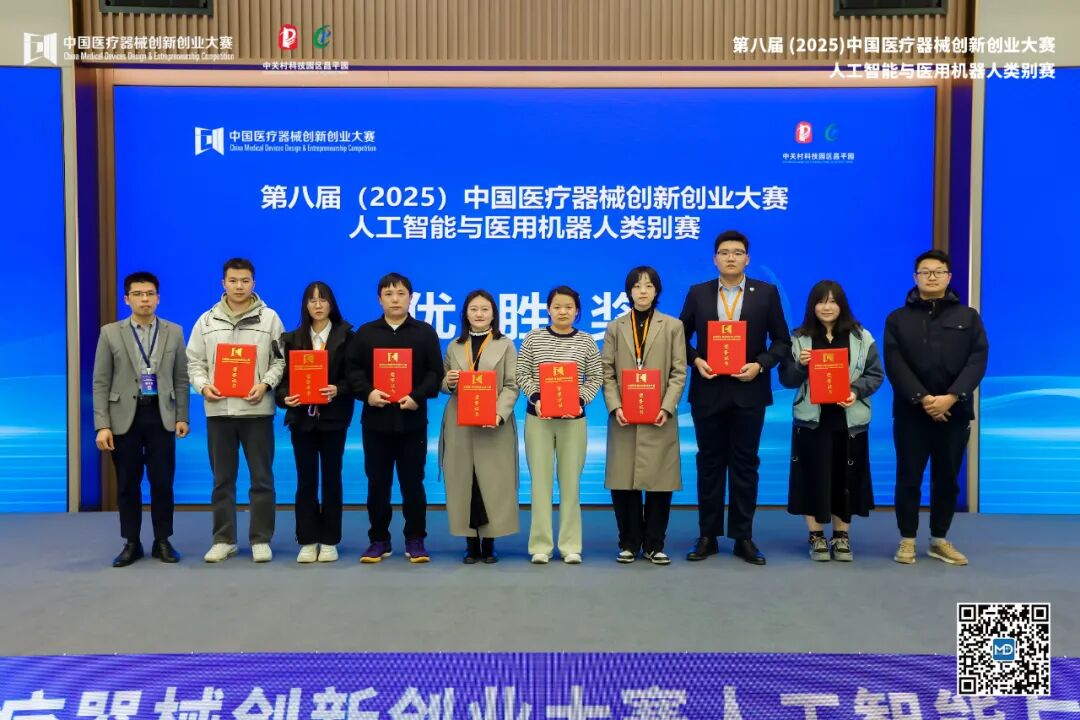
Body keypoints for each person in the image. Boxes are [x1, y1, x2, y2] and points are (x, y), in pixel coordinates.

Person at [679, 229, 790, 565]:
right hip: (708, 390)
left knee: (745, 464)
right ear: (715, 259)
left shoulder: (766, 293)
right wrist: (696, 360)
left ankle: (743, 537)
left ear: (747, 259)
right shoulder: (698, 293)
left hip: (749, 391)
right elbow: (679, 337)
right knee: (709, 463)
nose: (731, 257)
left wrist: (761, 365)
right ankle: (708, 536)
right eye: (724, 252)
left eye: (737, 252)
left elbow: (782, 341)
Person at [884, 249, 988, 566]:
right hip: (911, 413)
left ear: (948, 277)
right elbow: (895, 363)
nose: (931, 277)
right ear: (915, 277)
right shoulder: (898, 318)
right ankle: (907, 539)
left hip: (954, 412)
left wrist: (952, 396)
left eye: (938, 271)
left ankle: (939, 540)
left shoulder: (968, 317)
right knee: (908, 478)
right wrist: (924, 399)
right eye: (925, 272)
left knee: (947, 479)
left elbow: (977, 359)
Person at [186, 258, 286, 564]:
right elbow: (194, 362)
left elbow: (280, 360)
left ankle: (261, 539)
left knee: (262, 479)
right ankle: (224, 539)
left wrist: (265, 384)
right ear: (223, 283)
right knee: (222, 481)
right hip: (219, 411)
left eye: (245, 280)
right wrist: (203, 386)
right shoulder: (206, 321)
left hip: (257, 411)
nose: (239, 286)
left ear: (253, 283)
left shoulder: (270, 319)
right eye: (233, 280)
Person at [779, 280, 884, 562]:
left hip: (849, 421)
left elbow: (876, 375)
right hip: (811, 421)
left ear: (842, 305)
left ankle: (841, 536)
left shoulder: (861, 336)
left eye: (833, 301)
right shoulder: (798, 338)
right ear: (812, 306)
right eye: (821, 301)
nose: (827, 307)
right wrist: (800, 365)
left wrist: (855, 391)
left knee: (845, 479)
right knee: (811, 478)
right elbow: (786, 379)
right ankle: (816, 536)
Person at [92, 271, 190, 567]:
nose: (144, 299)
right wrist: (102, 425)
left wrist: (182, 416)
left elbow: (181, 379)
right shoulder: (110, 333)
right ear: (127, 299)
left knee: (163, 482)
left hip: (161, 415)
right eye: (137, 294)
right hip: (124, 418)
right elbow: (100, 382)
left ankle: (163, 540)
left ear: (158, 298)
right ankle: (131, 542)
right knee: (127, 484)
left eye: (149, 294)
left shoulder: (174, 331)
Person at [345, 272, 443, 564]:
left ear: (411, 298)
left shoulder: (424, 332)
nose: (395, 299)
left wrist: (417, 396)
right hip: (376, 423)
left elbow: (434, 372)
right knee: (377, 484)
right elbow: (353, 371)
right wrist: (368, 393)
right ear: (379, 299)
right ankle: (379, 539)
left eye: (401, 293)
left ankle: (415, 538)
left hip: (412, 422)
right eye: (388, 294)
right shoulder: (366, 333)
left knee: (413, 483)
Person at [601, 266, 687, 565]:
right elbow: (607, 371)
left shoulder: (672, 326)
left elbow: (678, 372)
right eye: (637, 286)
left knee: (660, 483)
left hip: (659, 416)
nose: (642, 291)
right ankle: (628, 543)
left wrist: (667, 407)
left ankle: (654, 544)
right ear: (629, 291)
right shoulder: (615, 327)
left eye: (649, 286)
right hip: (624, 415)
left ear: (657, 291)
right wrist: (615, 406)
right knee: (623, 481)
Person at [516, 285, 603, 565]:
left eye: (568, 307)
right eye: (557, 306)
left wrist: (579, 400)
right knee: (540, 484)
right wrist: (537, 398)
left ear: (577, 311)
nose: (562, 311)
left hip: (573, 421)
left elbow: (596, 376)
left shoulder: (587, 341)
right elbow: (522, 372)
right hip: (538, 419)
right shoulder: (533, 338)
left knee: (570, 484)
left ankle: (570, 546)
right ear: (548, 310)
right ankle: (540, 546)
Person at [275, 281, 355, 563]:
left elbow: (355, 379)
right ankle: (307, 539)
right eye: (312, 300)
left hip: (334, 419)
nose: (318, 305)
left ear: (331, 304)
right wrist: (285, 398)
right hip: (302, 421)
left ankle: (330, 540)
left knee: (332, 478)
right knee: (306, 479)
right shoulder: (292, 339)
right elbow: (281, 381)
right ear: (305, 305)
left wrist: (338, 389)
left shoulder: (347, 337)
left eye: (323, 299)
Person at [439, 289, 520, 564]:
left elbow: (511, 385)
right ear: (465, 314)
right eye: (474, 309)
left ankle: (490, 542)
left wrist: (498, 414)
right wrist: (449, 382)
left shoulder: (505, 344)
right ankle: (470, 543)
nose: (479, 314)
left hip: (493, 423)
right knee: (464, 481)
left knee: (492, 481)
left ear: (494, 314)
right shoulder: (454, 345)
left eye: (485, 309)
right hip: (460, 422)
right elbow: (443, 384)